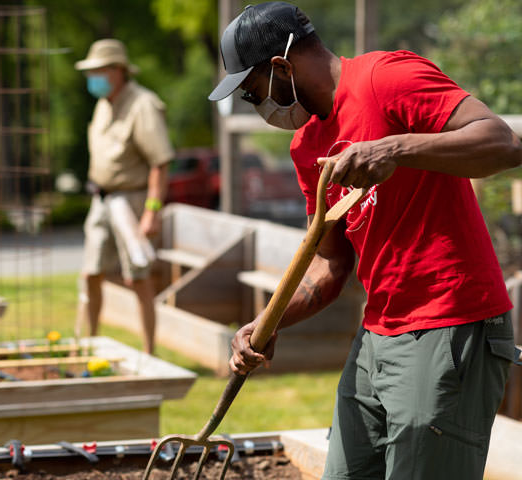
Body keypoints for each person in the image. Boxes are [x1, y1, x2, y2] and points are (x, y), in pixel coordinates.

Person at [209, 2, 522, 479]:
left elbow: (502, 143)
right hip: (377, 334)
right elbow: (329, 264)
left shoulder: (386, 78)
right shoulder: (307, 146)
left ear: (281, 66)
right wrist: (267, 323)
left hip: (449, 323)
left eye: (254, 93)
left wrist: (396, 147)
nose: (259, 108)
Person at [74, 39, 173, 355]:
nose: (93, 78)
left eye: (98, 71)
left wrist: (152, 210)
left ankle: (149, 351)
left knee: (138, 278)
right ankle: (86, 344)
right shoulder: (103, 105)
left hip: (132, 201)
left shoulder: (143, 105)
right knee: (90, 273)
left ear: (118, 71)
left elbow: (160, 162)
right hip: (100, 200)